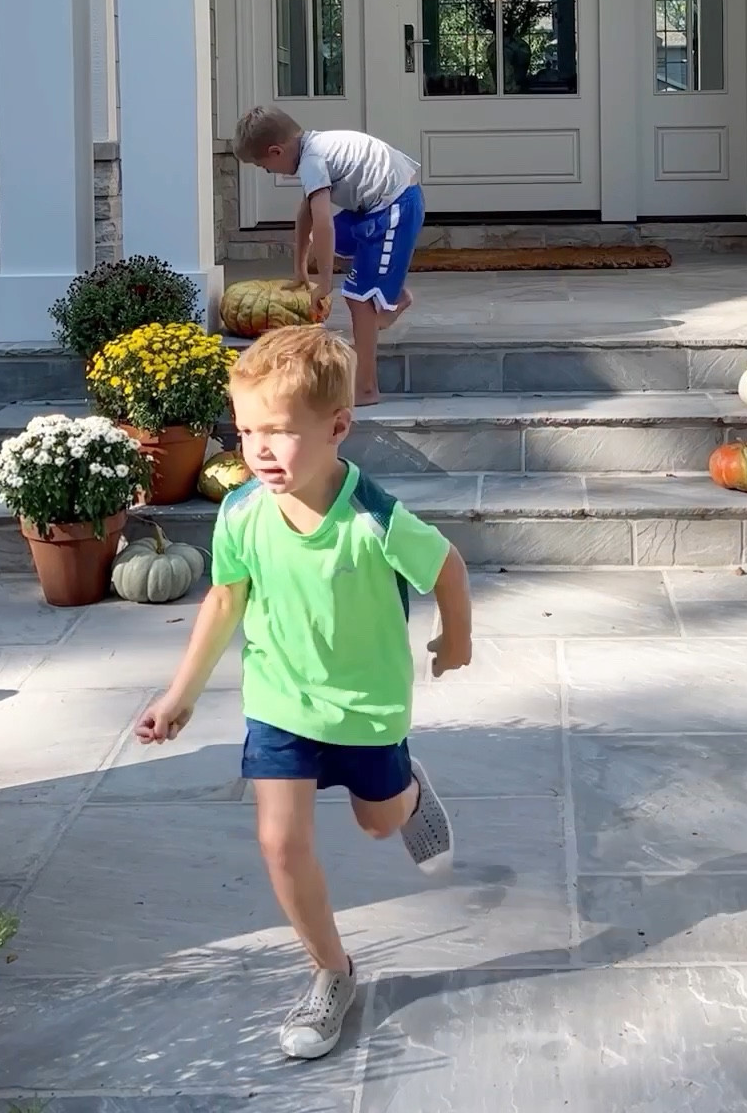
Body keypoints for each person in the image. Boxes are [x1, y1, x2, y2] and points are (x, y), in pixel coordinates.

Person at [135, 325, 473, 1062]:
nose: (258, 449)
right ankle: (331, 971)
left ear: (337, 427)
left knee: (379, 825)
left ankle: (409, 792)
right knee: (279, 842)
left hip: (366, 707)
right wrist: (181, 693)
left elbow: (447, 565)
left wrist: (458, 639)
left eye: (280, 431)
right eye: (246, 430)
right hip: (279, 701)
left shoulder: (373, 518)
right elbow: (225, 598)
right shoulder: (241, 512)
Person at [233, 106, 425, 404]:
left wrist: (324, 283)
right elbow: (307, 214)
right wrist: (300, 269)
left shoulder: (312, 160)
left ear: (275, 151)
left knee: (357, 297)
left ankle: (366, 388)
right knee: (325, 245)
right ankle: (387, 299)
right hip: (372, 207)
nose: (268, 172)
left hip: (395, 207)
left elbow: (324, 223)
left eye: (264, 167)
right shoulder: (312, 148)